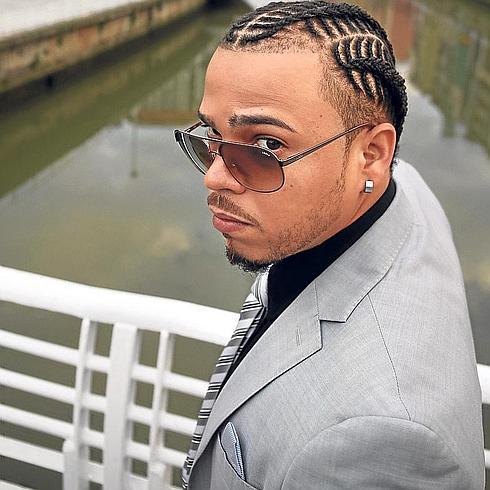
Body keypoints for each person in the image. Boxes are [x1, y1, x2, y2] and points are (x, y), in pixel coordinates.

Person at [174, 1, 485, 488]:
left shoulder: (383, 438)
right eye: (213, 135)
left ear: (372, 155)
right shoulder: (402, 188)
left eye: (266, 147)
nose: (214, 177)